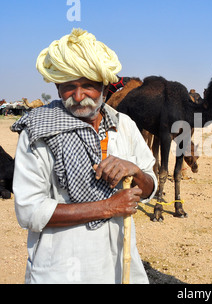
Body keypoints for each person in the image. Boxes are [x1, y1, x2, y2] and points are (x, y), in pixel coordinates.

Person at [11, 28, 157, 284]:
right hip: (59, 270)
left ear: (104, 85)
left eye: (88, 86)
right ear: (57, 88)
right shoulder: (37, 132)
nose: (78, 97)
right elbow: (29, 211)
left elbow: (149, 187)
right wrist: (107, 207)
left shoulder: (123, 125)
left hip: (120, 267)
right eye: (69, 87)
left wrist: (135, 170)